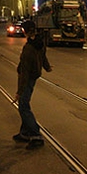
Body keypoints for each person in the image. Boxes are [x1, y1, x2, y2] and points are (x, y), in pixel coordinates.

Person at [13, 19, 52, 149]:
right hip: (34, 76)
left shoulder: (28, 48)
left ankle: (36, 135)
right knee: (25, 104)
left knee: (23, 106)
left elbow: (24, 72)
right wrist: (46, 67)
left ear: (26, 31)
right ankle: (24, 133)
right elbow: (43, 56)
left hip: (28, 78)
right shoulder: (39, 42)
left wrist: (19, 91)